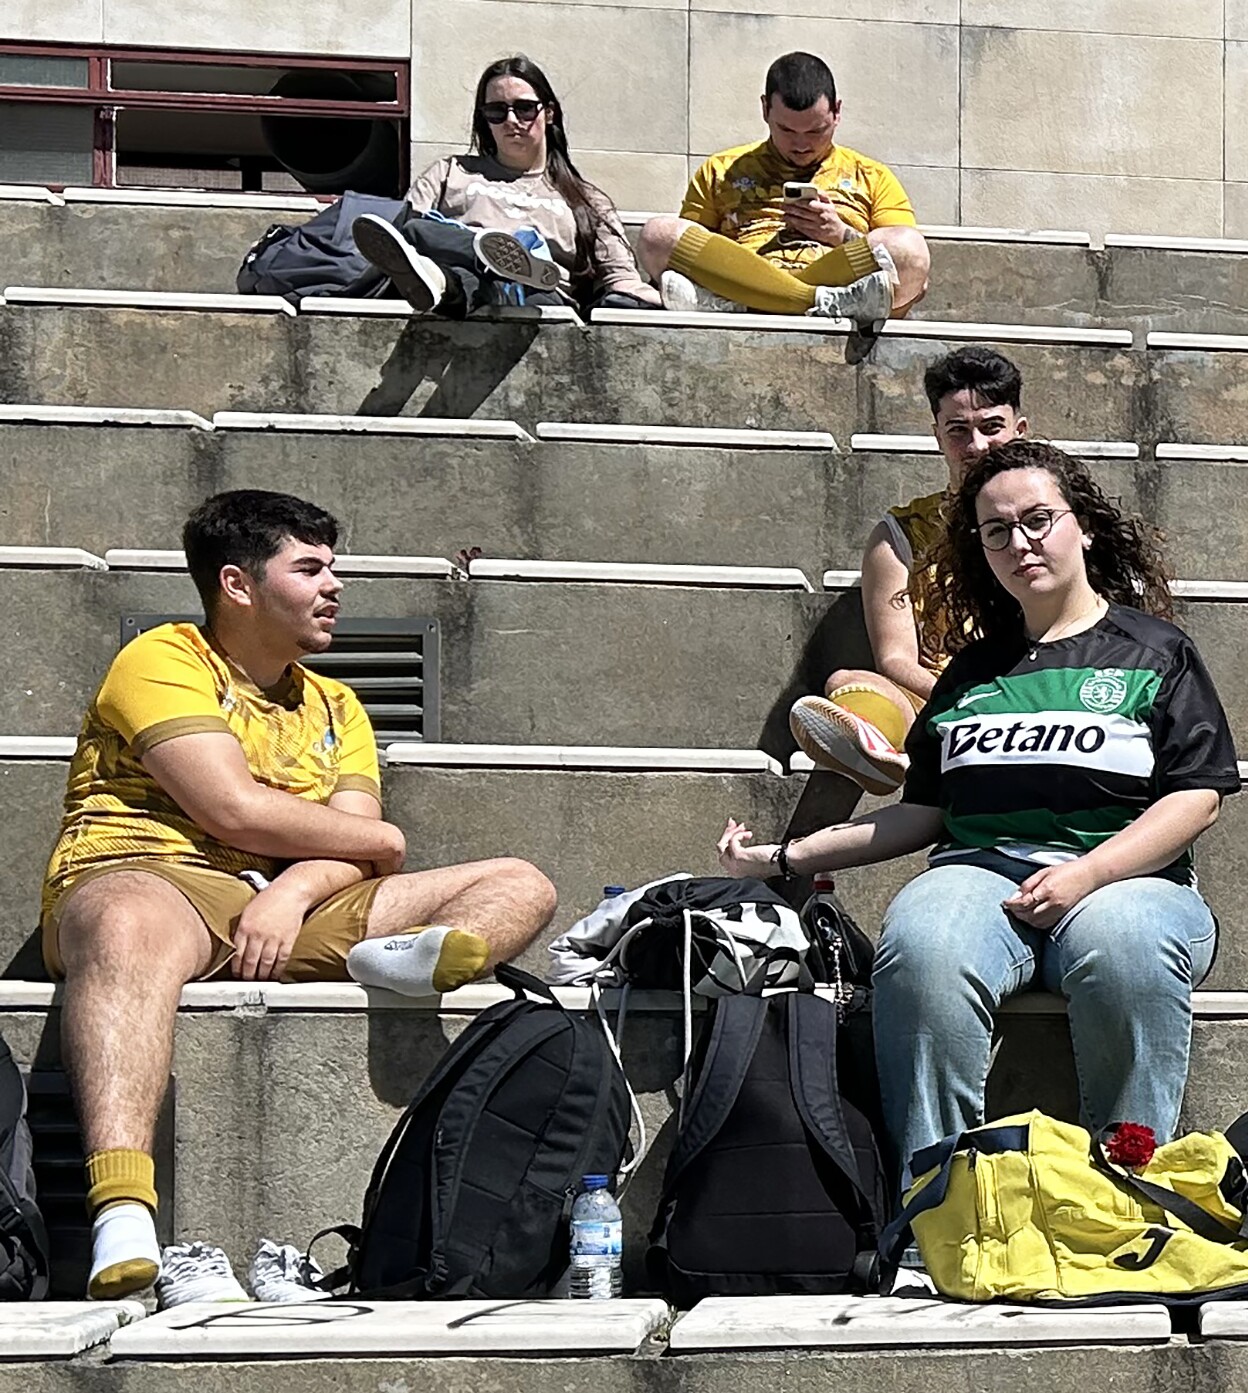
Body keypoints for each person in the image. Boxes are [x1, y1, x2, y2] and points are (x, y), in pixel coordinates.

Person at [45, 491, 557, 1299]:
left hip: (289, 903)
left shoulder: (336, 703)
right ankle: (123, 1209)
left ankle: (400, 964)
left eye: (332, 568)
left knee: (519, 883)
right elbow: (231, 809)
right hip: (150, 875)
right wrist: (369, 845)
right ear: (237, 585)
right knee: (124, 921)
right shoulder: (163, 658)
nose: (334, 586)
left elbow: (359, 845)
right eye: (309, 568)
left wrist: (291, 894)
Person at [718, 440, 1237, 1180]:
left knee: (1127, 948)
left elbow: (1197, 796)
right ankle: (937, 1198)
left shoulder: (1156, 652)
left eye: (1038, 520)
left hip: (1129, 881)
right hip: (979, 875)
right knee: (924, 946)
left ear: (1084, 526)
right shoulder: (970, 672)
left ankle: (1132, 1190)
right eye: (997, 531)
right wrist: (786, 855)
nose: (1020, 543)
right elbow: (922, 812)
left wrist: (1088, 875)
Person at [790, 346, 1026, 793]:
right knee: (848, 685)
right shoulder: (900, 534)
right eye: (958, 431)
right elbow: (896, 658)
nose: (976, 446)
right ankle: (879, 757)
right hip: (940, 696)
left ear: (1020, 430)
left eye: (991, 428)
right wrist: (969, 698)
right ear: (937, 436)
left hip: (1040, 695)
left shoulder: (1055, 525)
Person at [352, 55, 661, 317]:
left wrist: (658, 296)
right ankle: (472, 261)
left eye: (524, 108)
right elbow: (401, 238)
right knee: (417, 229)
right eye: (496, 112)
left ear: (549, 113)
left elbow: (620, 277)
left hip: (541, 297)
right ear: (484, 119)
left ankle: (480, 272)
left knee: (483, 281)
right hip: (463, 280)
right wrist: (473, 247)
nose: (511, 120)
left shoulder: (586, 198)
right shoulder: (450, 172)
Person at [636, 51, 928, 324]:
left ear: (837, 112)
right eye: (787, 130)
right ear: (765, 109)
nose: (801, 144)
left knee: (908, 248)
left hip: (829, 276)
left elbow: (913, 273)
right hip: (747, 274)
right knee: (657, 235)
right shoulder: (721, 170)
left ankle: (753, 303)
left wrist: (841, 235)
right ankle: (818, 301)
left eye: (816, 130)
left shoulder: (872, 175)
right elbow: (689, 251)